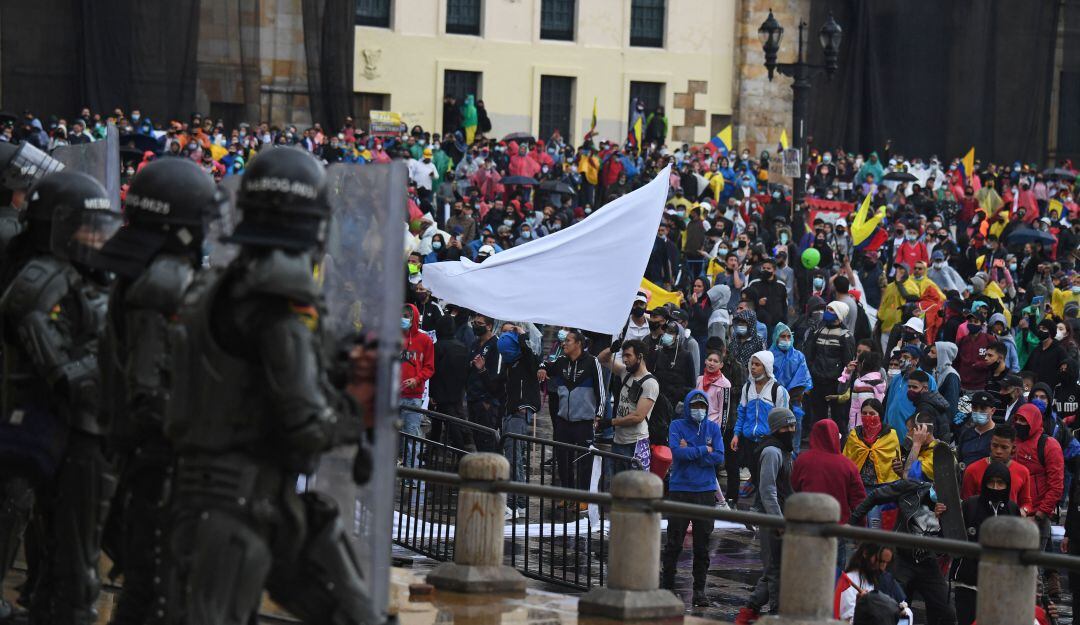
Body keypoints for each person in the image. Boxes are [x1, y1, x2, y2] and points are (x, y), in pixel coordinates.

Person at [163, 147, 372, 623]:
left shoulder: (213, 286)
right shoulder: (279, 303)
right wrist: (356, 412)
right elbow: (305, 424)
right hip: (242, 502)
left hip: (211, 493)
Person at [93, 158, 218, 625]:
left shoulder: (139, 268)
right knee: (157, 590)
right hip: (158, 461)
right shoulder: (165, 282)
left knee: (146, 588)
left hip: (138, 453)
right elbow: (149, 386)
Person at [0, 171, 120, 624]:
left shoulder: (74, 271)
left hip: (68, 426)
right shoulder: (39, 275)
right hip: (39, 420)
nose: (96, 237)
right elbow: (59, 364)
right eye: (86, 227)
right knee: (24, 511)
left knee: (59, 544)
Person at [849, 476, 956, 625]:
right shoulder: (912, 488)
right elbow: (876, 495)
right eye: (938, 486)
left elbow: (946, 549)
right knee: (893, 608)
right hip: (901, 558)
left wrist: (944, 521)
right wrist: (854, 521)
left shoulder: (953, 509)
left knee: (946, 612)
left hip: (927, 562)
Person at [661, 390, 725, 607]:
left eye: (703, 406)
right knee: (674, 543)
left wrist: (692, 451)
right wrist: (703, 450)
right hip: (680, 489)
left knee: (702, 546)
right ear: (688, 406)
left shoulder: (713, 427)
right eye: (695, 405)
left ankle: (699, 590)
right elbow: (677, 454)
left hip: (705, 492)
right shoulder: (676, 426)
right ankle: (666, 585)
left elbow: (719, 456)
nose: (699, 410)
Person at [734, 407, 797, 625]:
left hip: (783, 516)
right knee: (775, 571)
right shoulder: (772, 452)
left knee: (775, 569)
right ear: (776, 428)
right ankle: (773, 615)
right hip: (773, 518)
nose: (791, 429)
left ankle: (749, 611)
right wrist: (777, 521)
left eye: (793, 425)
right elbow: (767, 489)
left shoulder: (784, 449)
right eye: (787, 426)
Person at [952, 461, 1021, 625]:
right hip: (969, 585)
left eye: (1000, 483)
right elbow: (952, 539)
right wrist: (944, 518)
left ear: (1007, 485)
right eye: (991, 482)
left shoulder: (1012, 510)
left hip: (1001, 587)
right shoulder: (970, 506)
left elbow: (1019, 548)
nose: (995, 488)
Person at [541, 330, 607, 490]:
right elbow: (544, 364)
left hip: (584, 422)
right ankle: (567, 493)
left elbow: (602, 392)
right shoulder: (561, 361)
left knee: (585, 461)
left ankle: (583, 497)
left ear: (578, 343)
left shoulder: (592, 362)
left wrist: (598, 415)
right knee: (563, 460)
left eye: (568, 340)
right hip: (563, 421)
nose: (564, 343)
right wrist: (541, 368)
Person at [1012, 403, 1065, 584]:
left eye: (1023, 420)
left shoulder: (1049, 445)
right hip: (1013, 515)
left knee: (1030, 572)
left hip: (1036, 518)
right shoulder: (1012, 442)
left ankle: (1038, 609)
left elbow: (1056, 486)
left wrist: (1041, 513)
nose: (1019, 423)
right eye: (1017, 419)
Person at [495, 324, 541, 518]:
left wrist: (522, 337)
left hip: (519, 415)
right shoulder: (509, 365)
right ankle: (516, 502)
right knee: (511, 458)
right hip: (509, 413)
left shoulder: (527, 361)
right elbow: (496, 384)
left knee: (515, 459)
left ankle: (517, 504)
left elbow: (533, 359)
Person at [792, 419, 866, 526]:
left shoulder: (802, 461)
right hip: (837, 526)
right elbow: (858, 500)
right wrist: (861, 528)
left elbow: (793, 489)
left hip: (807, 524)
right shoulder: (848, 466)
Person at [598, 339, 657, 472]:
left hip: (635, 444)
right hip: (618, 441)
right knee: (616, 486)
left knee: (634, 489)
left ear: (640, 357)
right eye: (623, 355)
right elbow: (601, 359)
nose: (625, 359)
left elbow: (638, 417)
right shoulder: (625, 373)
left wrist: (611, 422)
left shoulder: (650, 383)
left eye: (628, 355)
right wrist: (612, 349)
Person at [842, 399, 902, 529]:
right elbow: (846, 459)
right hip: (861, 486)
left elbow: (895, 460)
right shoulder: (854, 435)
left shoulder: (891, 434)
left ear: (880, 414)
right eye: (864, 413)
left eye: (872, 413)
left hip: (883, 486)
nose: (867, 417)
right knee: (862, 521)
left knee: (879, 522)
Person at [806, 301, 856, 437]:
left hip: (834, 384)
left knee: (839, 420)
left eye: (831, 310)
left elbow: (848, 364)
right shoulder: (818, 331)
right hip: (817, 382)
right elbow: (810, 355)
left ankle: (839, 448)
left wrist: (844, 387)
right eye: (827, 309)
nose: (827, 312)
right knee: (817, 419)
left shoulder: (845, 336)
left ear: (839, 314)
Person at [732, 351, 790, 466]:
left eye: (757, 365)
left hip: (769, 443)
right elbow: (741, 413)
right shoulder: (747, 387)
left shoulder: (778, 390)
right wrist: (736, 434)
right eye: (752, 364)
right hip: (749, 441)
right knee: (754, 477)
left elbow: (784, 421)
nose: (753, 367)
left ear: (766, 367)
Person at [960, 423, 1034, 512]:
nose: (998, 451)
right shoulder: (972, 470)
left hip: (1010, 523)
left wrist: (1023, 511)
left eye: (1004, 447)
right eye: (995, 446)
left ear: (1013, 448)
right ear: (990, 444)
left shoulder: (1022, 471)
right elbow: (965, 503)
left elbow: (1027, 503)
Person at [429, 316, 473, 451]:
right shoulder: (462, 347)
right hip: (457, 391)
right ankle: (436, 448)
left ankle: (460, 452)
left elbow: (433, 371)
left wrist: (432, 394)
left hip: (440, 392)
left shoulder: (437, 347)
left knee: (446, 423)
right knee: (451, 421)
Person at [400, 302, 435, 468]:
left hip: (413, 397)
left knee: (411, 437)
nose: (403, 319)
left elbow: (429, 368)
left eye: (406, 316)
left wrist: (417, 379)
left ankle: (411, 475)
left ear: (414, 318)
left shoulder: (425, 340)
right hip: (391, 395)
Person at [769, 322, 813, 451]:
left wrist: (790, 394)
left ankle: (794, 458)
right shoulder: (769, 356)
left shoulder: (798, 356)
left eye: (789, 336)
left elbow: (802, 379)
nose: (786, 340)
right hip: (773, 399)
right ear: (776, 337)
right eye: (783, 336)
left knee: (794, 430)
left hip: (794, 400)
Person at [466, 314, 502, 451]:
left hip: (486, 402)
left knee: (487, 440)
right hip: (472, 398)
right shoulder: (475, 343)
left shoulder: (496, 345)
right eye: (474, 322)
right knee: (476, 438)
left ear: (489, 326)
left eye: (479, 323)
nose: (475, 326)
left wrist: (488, 400)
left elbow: (497, 376)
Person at [955, 391, 1002, 466]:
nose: (978, 411)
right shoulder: (966, 433)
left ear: (992, 411)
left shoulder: (999, 434)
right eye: (974, 407)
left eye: (983, 408)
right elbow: (959, 458)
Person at [1024, 318, 1070, 388]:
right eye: (1039, 328)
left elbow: (1066, 372)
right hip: (1035, 390)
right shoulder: (1036, 350)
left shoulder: (1060, 351)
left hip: (1050, 391)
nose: (1041, 331)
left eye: (1044, 328)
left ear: (1051, 332)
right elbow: (1028, 369)